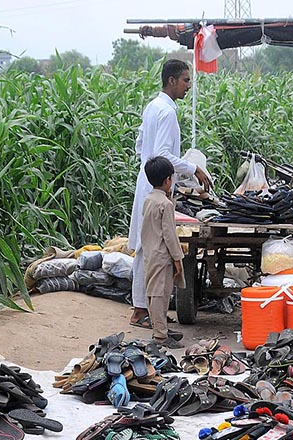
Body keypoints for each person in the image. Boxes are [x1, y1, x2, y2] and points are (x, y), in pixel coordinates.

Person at [127, 59, 212, 329]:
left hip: (148, 180)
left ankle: (142, 307)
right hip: (156, 183)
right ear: (172, 81)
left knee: (145, 246)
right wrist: (192, 169)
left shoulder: (153, 107)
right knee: (152, 249)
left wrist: (151, 172)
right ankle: (143, 311)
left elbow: (142, 146)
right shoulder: (167, 113)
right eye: (186, 80)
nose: (189, 85)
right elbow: (162, 154)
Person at [140, 156, 186, 348]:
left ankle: (160, 328)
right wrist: (178, 258)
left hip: (150, 253)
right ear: (168, 180)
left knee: (152, 292)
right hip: (162, 254)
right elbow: (169, 235)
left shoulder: (149, 200)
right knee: (161, 293)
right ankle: (160, 335)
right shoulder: (165, 205)